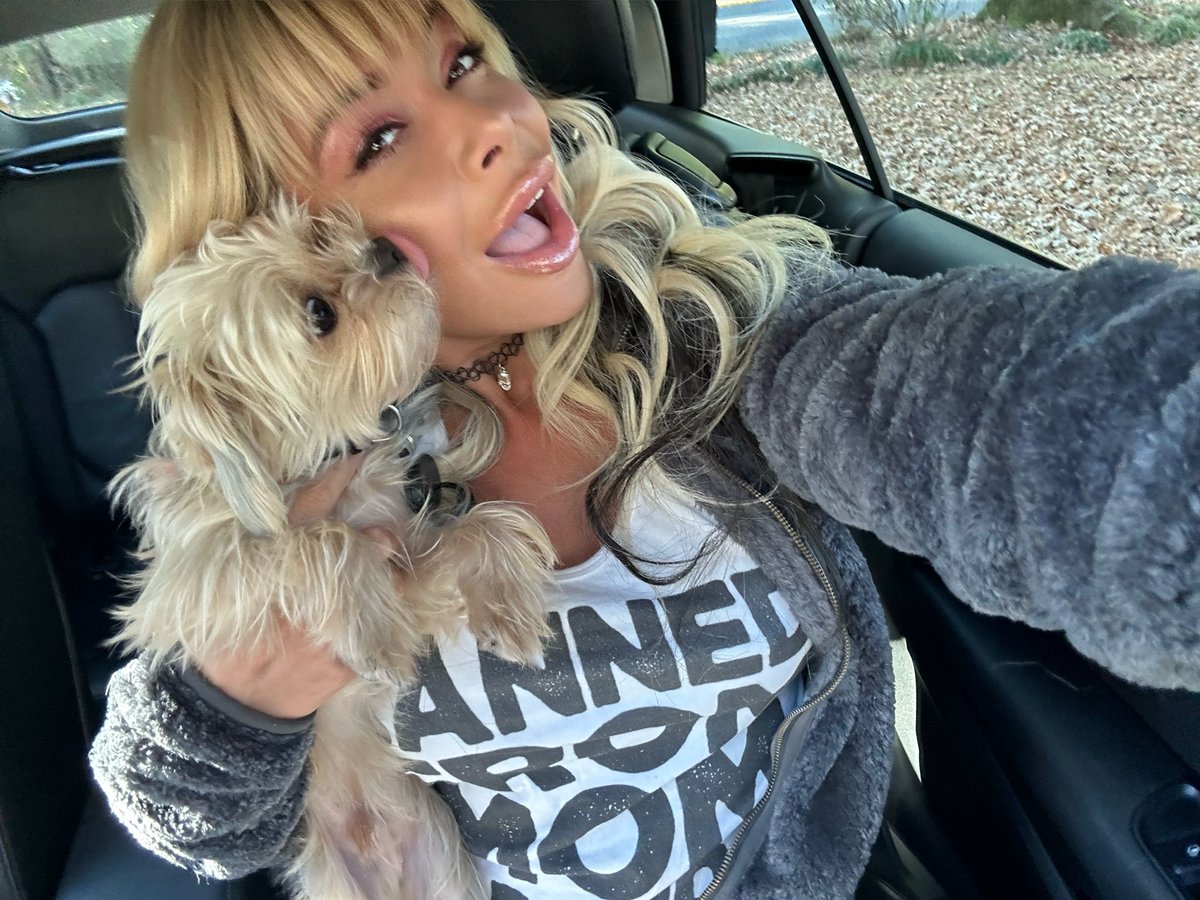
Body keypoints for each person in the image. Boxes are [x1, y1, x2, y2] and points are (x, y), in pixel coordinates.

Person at [90, 1, 1200, 898]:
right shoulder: (291, 487)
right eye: (380, 139)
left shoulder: (712, 332)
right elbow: (183, 817)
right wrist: (235, 701)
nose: (501, 121)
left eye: (465, 61)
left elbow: (1004, 408)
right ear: (270, 246)